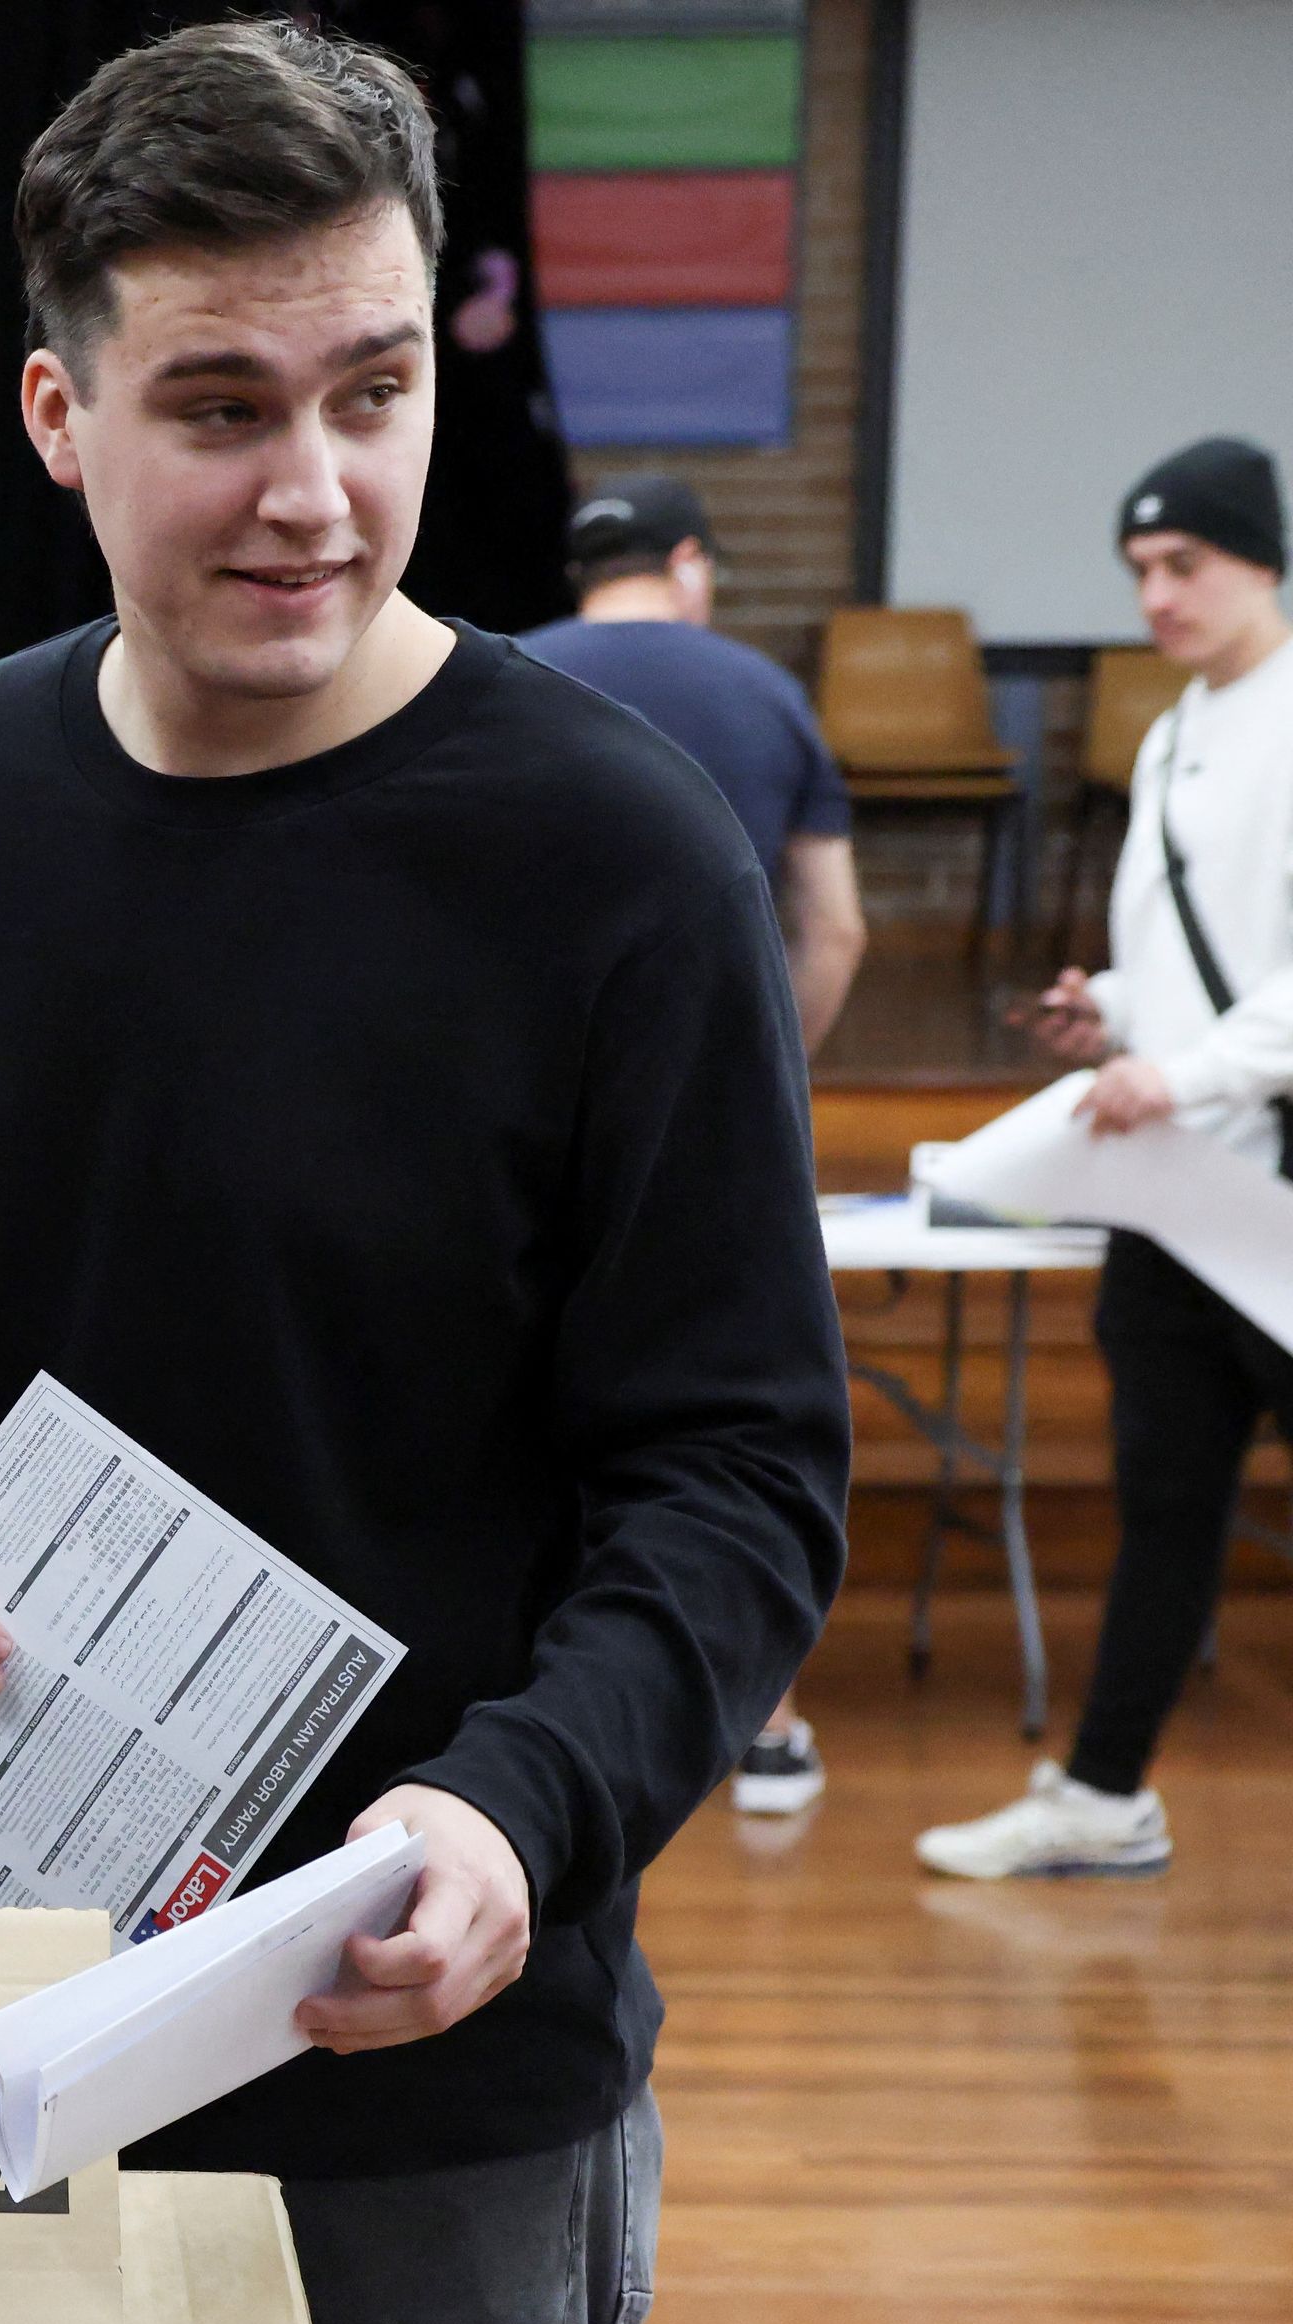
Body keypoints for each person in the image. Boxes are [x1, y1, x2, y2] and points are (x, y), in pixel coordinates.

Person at [0, 30, 846, 2324]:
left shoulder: (619, 862)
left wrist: (515, 1817)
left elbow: (739, 1478)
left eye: (374, 396)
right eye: (221, 409)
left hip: (425, 2071)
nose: (319, 490)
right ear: (58, 412)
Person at [919, 437, 1293, 1883]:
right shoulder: (1173, 730)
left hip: (1262, 1183)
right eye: (1140, 570)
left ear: (1259, 559)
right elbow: (1206, 969)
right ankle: (1104, 1796)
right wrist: (1119, 1012)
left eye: (1184, 564)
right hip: (1176, 1202)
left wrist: (1180, 1066)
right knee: (1165, 1506)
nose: (1157, 595)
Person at [520, 472, 866, 1817]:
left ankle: (553, 1738)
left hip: (521, 1136)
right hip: (704, 1150)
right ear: (691, 566)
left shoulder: (501, 680)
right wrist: (759, 1087)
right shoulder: (765, 693)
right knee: (723, 1431)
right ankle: (761, 1722)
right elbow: (835, 924)